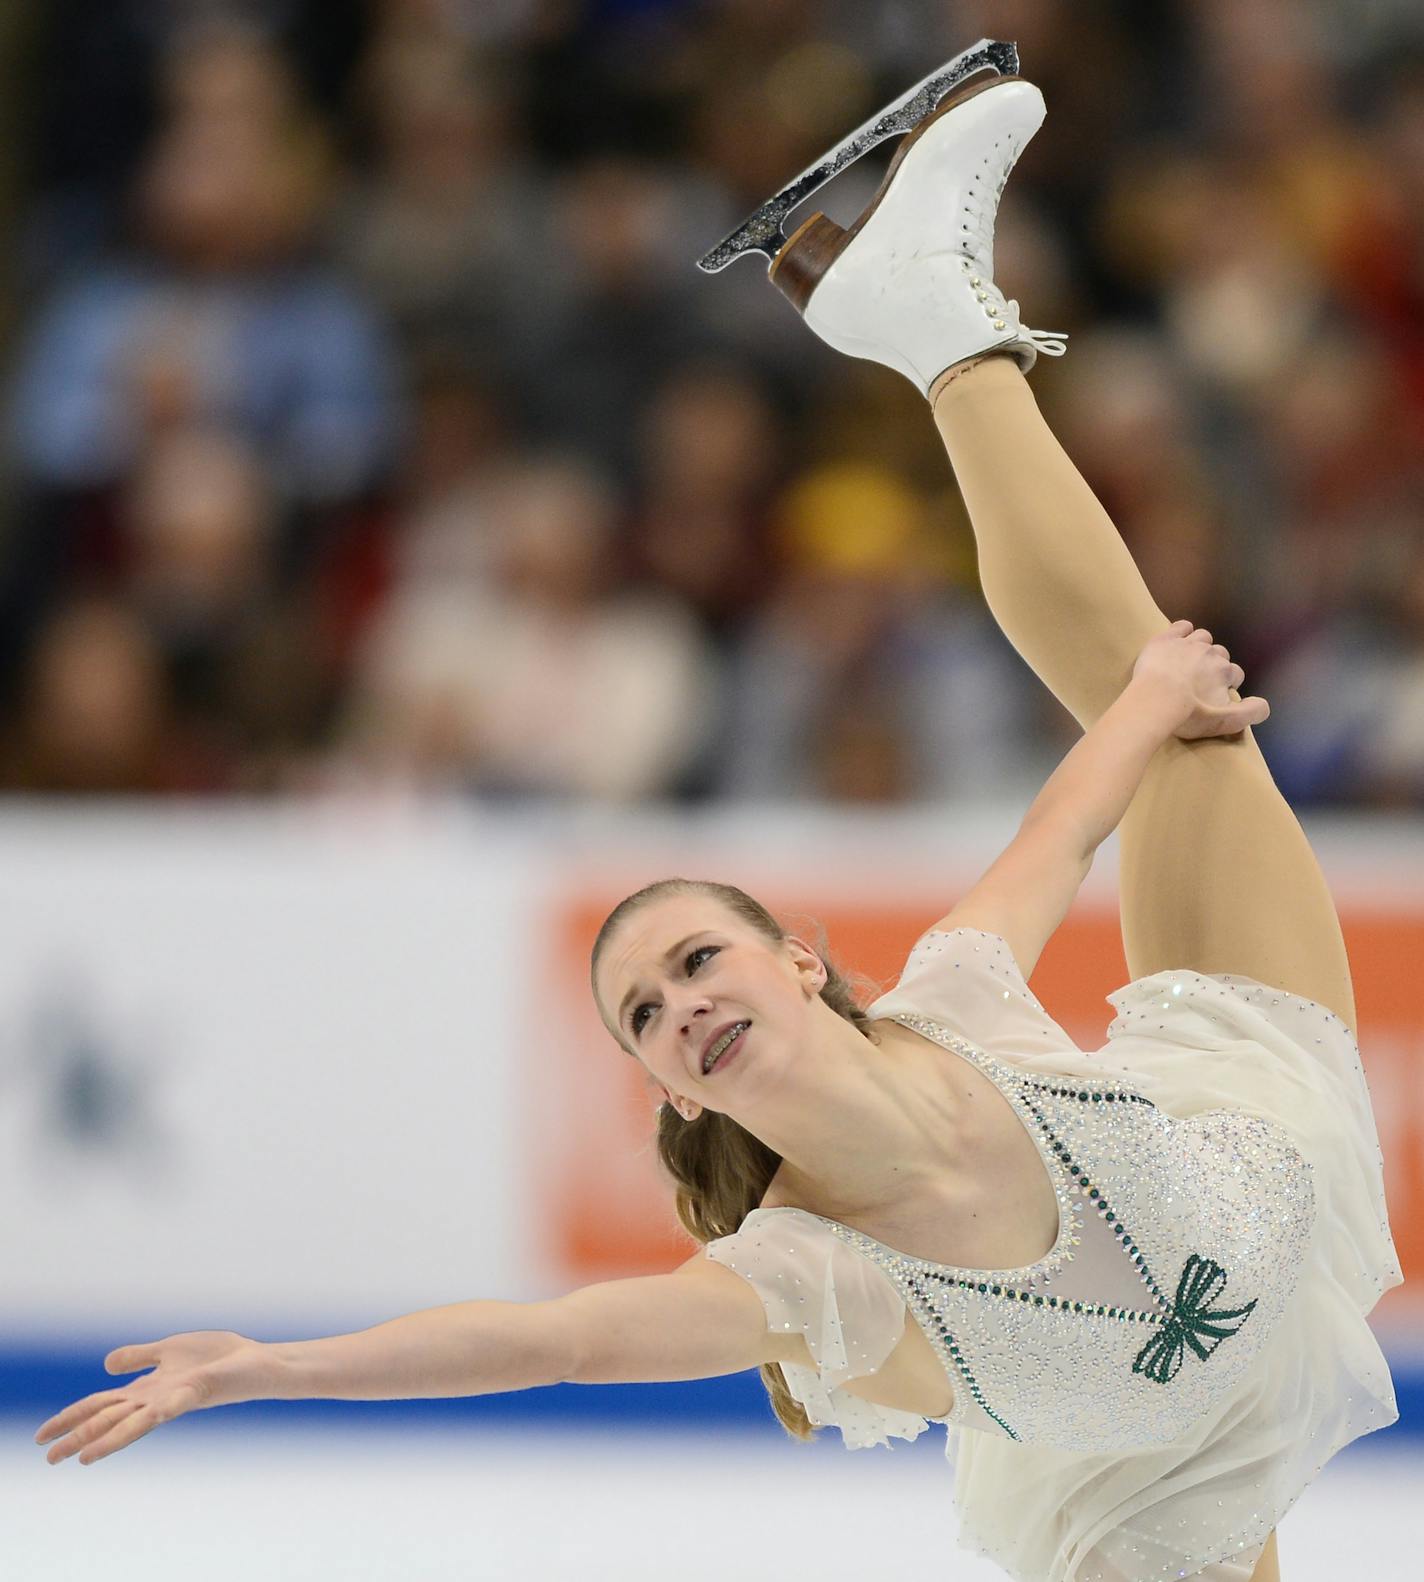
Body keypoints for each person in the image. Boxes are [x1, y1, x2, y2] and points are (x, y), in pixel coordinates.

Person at [34, 65, 1399, 1582]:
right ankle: (911, 309)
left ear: (799, 965)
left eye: (693, 961)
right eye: (646, 1012)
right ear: (666, 1089)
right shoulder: (811, 1277)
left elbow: (1064, 831)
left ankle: (941, 332)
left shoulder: (950, 998)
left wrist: (1143, 701)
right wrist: (275, 1368)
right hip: (1147, 1489)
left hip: (1263, 1145)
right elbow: (548, 1339)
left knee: (1184, 732)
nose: (682, 1003)